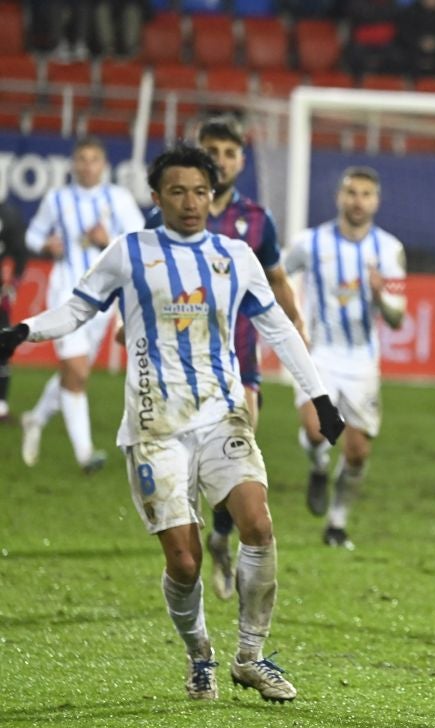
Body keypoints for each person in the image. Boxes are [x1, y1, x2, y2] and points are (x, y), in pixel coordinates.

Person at [0, 144, 345, 703]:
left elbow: (279, 329)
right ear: (156, 197)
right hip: (154, 426)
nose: (190, 202)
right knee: (184, 561)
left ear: (213, 195)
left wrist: (321, 398)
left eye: (200, 192)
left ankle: (250, 657)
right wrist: (24, 332)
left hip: (222, 415)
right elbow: (78, 309)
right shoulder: (129, 252)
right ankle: (200, 654)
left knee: (258, 524)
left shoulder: (236, 256)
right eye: (178, 192)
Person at [145, 117, 306, 602]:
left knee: (242, 443)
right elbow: (142, 276)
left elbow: (276, 278)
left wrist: (296, 325)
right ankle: (193, 542)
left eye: (229, 152)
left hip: (238, 356)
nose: (220, 159)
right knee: (185, 463)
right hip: (177, 364)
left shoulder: (257, 219)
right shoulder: (167, 214)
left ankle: (220, 533)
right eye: (211, 149)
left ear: (241, 160)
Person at [283, 167, 407, 550]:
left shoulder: (389, 249)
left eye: (366, 194)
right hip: (318, 354)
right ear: (339, 197)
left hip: (362, 362)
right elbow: (276, 276)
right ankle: (319, 465)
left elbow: (398, 317)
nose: (358, 201)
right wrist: (292, 316)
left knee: (357, 452)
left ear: (376, 201)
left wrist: (380, 297)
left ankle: (336, 524)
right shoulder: (309, 242)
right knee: (316, 430)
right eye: (352, 193)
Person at [21, 136, 145, 474]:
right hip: (66, 293)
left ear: (103, 164)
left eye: (93, 159)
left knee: (74, 373)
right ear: (73, 164)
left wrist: (109, 241)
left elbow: (139, 240)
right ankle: (85, 454)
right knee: (77, 372)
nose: (87, 166)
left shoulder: (118, 199)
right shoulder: (57, 199)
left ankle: (35, 418)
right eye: (82, 159)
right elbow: (32, 235)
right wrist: (46, 245)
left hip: (103, 299)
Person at [0, 198, 30, 423]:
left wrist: (12, 285)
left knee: (2, 346)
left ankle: (0, 406)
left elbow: (20, 252)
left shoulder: (6, 214)